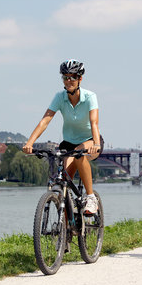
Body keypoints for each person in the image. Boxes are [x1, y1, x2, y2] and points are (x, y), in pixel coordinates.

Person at [23, 59, 103, 215]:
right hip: (69, 143)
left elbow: (94, 122)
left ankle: (91, 197)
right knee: (64, 184)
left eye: (73, 77)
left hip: (90, 140)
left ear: (80, 78)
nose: (69, 80)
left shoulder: (90, 97)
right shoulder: (60, 97)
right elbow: (45, 121)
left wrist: (97, 143)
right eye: (65, 77)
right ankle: (66, 230)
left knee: (80, 155)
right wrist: (30, 143)